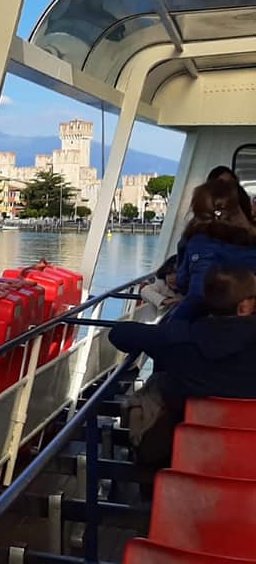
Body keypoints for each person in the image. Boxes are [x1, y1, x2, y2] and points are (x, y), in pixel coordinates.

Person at [109, 265, 256, 480]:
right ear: (244, 307)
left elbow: (119, 333)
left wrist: (192, 307)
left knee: (158, 385)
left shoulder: (180, 338)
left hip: (189, 450)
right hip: (249, 454)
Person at [171, 179, 256, 320]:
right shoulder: (250, 242)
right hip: (245, 318)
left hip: (201, 320)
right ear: (238, 210)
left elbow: (186, 285)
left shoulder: (195, 242)